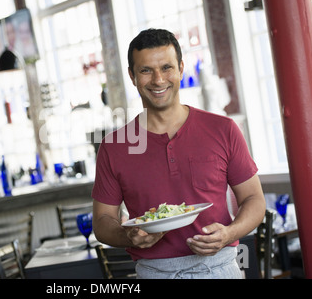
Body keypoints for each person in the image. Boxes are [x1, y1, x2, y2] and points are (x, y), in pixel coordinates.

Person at [91, 28, 266, 279]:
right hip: (155, 272)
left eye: (166, 68)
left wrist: (229, 233)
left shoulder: (223, 129)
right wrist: (127, 235)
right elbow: (103, 221)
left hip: (220, 267)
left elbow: (254, 200)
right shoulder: (113, 147)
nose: (158, 80)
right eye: (146, 70)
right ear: (132, 76)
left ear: (181, 68)